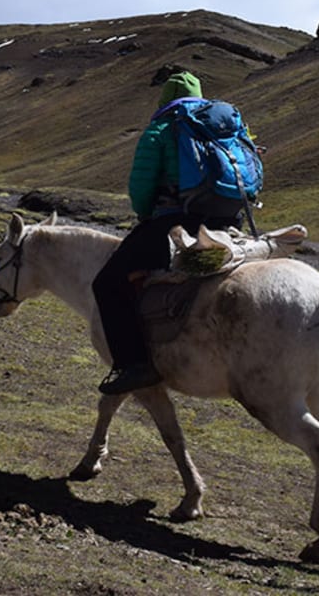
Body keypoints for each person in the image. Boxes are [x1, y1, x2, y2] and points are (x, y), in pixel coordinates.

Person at [91, 71, 246, 395]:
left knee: (107, 283)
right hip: (231, 223)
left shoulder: (162, 128)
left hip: (177, 224)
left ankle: (136, 364)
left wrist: (146, 214)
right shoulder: (227, 125)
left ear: (165, 98)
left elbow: (141, 186)